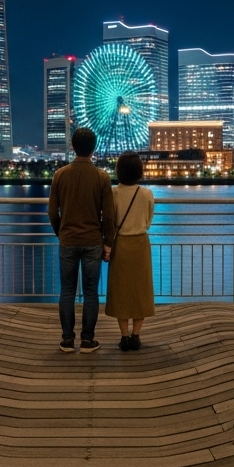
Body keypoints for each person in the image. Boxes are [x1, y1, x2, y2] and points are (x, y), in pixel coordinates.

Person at [47, 128, 116, 354]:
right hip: (92, 241)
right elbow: (109, 215)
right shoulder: (102, 177)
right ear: (93, 148)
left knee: (67, 290)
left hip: (67, 239)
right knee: (91, 291)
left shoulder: (60, 175)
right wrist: (108, 242)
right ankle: (88, 340)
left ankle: (67, 340)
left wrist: (61, 232)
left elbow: (52, 212)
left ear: (72, 146)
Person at [105, 151, 156, 351]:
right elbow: (149, 220)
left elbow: (110, 219)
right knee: (141, 290)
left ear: (119, 170)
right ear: (139, 171)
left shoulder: (113, 193)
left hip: (121, 244)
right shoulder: (147, 194)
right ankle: (136, 335)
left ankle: (124, 336)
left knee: (121, 290)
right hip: (141, 244)